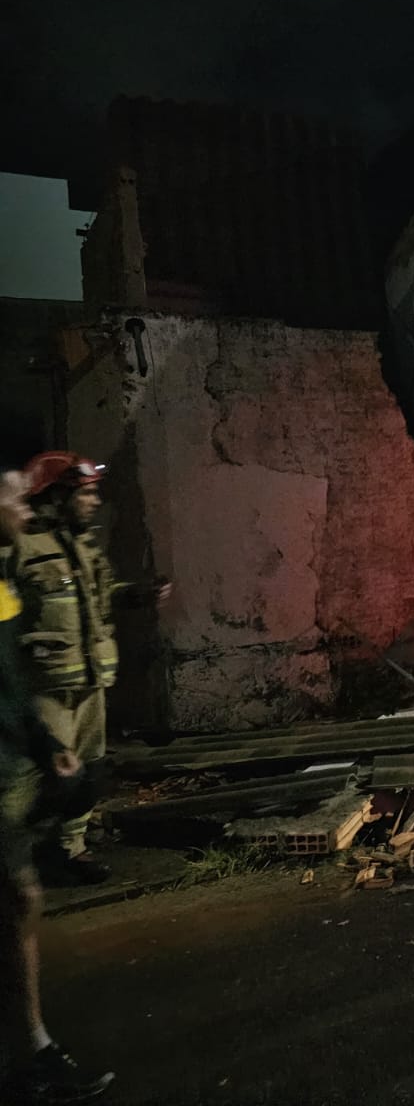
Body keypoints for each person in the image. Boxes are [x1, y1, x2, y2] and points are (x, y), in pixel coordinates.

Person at [0, 466, 114, 1101]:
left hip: (21, 749)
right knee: (18, 898)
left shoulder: (3, 584)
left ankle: (32, 1052)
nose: (22, 506)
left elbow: (6, 672)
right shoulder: (17, 563)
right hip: (13, 753)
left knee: (20, 899)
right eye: (12, 496)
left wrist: (44, 747)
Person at [5, 453, 168, 886]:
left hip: (90, 681)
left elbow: (101, 591)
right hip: (44, 686)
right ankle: (24, 856)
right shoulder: (17, 548)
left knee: (90, 774)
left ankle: (68, 849)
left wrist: (133, 595)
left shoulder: (82, 545)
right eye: (86, 493)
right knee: (49, 776)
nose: (95, 502)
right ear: (55, 496)